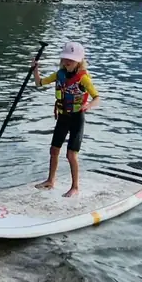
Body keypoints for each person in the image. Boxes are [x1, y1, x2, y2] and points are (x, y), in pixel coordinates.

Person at [33, 42, 100, 197]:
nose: (67, 62)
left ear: (79, 61)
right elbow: (39, 83)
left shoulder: (83, 78)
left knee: (71, 155)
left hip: (77, 118)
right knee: (54, 150)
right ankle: (50, 181)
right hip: (63, 117)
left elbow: (97, 97)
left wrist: (89, 105)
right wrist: (35, 69)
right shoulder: (59, 74)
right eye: (65, 59)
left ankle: (75, 187)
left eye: (71, 59)